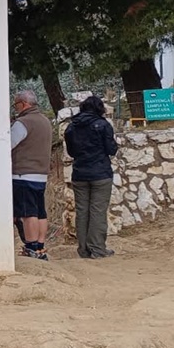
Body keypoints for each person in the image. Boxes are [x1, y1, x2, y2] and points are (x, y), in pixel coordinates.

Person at [65, 95, 118, 259]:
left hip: (79, 174)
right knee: (98, 211)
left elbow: (71, 152)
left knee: (82, 211)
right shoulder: (103, 125)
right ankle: (97, 249)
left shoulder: (71, 127)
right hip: (100, 173)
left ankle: (83, 249)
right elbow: (111, 149)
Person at [11, 90, 53, 260]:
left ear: (23, 104)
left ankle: (31, 247)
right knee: (40, 212)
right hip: (41, 174)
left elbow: (8, 143)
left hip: (23, 174)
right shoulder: (45, 121)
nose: (15, 108)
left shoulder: (23, 123)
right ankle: (40, 246)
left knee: (28, 213)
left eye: (16, 104)